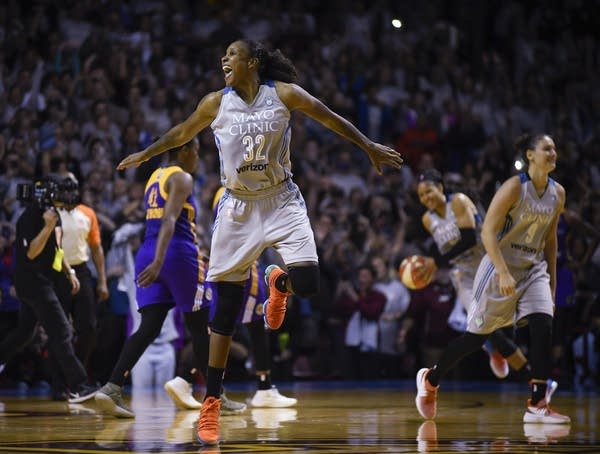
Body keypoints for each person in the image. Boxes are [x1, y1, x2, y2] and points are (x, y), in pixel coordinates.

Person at [117, 39, 402, 445]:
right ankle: (211, 401)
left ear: (252, 62)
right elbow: (181, 131)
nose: (223, 60)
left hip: (282, 198)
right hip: (237, 208)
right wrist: (147, 153)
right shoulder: (216, 102)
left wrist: (368, 146)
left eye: (231, 55)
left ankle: (278, 285)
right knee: (225, 313)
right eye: (224, 57)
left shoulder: (282, 94)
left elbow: (330, 117)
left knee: (309, 284)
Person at [415, 133, 570, 424]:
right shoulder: (514, 187)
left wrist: (552, 281)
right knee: (477, 337)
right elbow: (487, 234)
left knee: (543, 322)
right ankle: (431, 379)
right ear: (530, 155)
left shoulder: (558, 194)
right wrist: (501, 270)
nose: (553, 153)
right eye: (546, 148)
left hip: (529, 266)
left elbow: (549, 240)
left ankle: (537, 401)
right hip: (495, 264)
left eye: (554, 148)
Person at [94, 137, 214, 418]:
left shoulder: (154, 178)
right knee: (203, 327)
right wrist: (162, 261)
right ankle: (212, 394)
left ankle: (112, 386)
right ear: (183, 150)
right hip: (176, 253)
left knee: (148, 326)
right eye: (195, 151)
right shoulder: (182, 177)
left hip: (147, 250)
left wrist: (156, 259)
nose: (197, 158)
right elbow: (170, 220)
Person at [165, 187, 296, 410]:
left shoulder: (237, 191)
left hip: (231, 261)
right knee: (232, 326)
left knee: (240, 325)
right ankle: (186, 379)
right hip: (238, 262)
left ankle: (261, 388)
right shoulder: (233, 192)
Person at [415, 168, 528, 379]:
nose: (425, 198)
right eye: (421, 195)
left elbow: (468, 239)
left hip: (488, 267)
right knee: (482, 325)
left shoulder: (458, 201)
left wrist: (435, 262)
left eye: (429, 191)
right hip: (464, 276)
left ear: (440, 187)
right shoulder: (427, 220)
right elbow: (446, 250)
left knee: (497, 324)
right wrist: (430, 266)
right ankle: (530, 378)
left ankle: (498, 353)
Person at [0, 177, 97, 403]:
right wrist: (48, 226)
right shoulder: (29, 217)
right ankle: (78, 385)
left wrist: (68, 271)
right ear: (47, 194)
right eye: (59, 192)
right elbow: (32, 252)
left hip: (45, 280)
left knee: (24, 333)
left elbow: (56, 249)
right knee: (62, 331)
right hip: (33, 283)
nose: (66, 197)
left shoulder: (54, 215)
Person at [52, 174, 108, 398]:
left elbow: (96, 249)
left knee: (89, 328)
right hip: (56, 273)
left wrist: (102, 281)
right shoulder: (51, 213)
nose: (70, 192)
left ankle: (78, 377)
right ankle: (59, 384)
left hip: (81, 271)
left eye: (73, 187)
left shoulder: (87, 213)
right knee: (59, 331)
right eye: (65, 188)